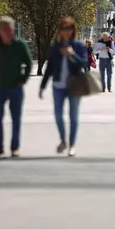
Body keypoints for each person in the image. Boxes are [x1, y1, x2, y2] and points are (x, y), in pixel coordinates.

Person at [0, 17, 32, 158]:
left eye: (11, 29)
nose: (11, 32)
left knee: (16, 118)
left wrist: (23, 79)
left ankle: (15, 147)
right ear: (1, 31)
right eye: (7, 30)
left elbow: (28, 63)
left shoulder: (20, 45)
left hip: (16, 88)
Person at [39, 17, 88, 157]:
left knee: (73, 116)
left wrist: (72, 55)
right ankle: (63, 140)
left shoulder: (79, 46)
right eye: (63, 29)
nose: (65, 32)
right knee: (58, 115)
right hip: (58, 85)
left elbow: (84, 64)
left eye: (68, 28)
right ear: (59, 31)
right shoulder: (55, 47)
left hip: (74, 85)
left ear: (73, 30)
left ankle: (72, 144)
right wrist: (42, 86)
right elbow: (49, 68)